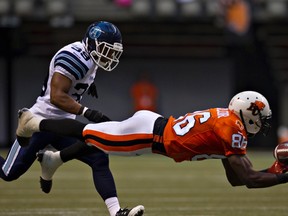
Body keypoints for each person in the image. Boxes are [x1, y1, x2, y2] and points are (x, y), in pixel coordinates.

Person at [1, 21, 144, 216]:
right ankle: (51, 161)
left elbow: (75, 81)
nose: (109, 56)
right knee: (9, 174)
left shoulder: (89, 59)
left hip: (63, 125)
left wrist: (85, 84)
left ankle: (116, 212)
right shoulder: (74, 58)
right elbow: (56, 96)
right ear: (92, 43)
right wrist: (87, 112)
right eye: (106, 50)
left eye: (112, 52)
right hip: (40, 123)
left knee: (98, 155)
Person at [16, 91, 288, 189]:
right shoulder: (233, 128)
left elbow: (237, 179)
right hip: (148, 136)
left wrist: (274, 172)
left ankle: (54, 159)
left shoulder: (227, 122)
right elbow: (250, 180)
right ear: (247, 113)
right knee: (87, 133)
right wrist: (283, 176)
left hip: (152, 125)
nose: (261, 125)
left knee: (96, 137)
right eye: (261, 118)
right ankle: (34, 122)